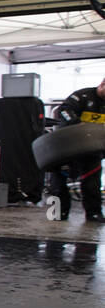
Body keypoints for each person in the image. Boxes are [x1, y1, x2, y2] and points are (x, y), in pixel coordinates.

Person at [47, 77, 105, 222]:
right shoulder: (82, 96)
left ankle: (94, 213)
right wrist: (77, 124)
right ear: (102, 84)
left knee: (93, 182)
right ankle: (57, 213)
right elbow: (63, 110)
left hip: (91, 149)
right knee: (58, 182)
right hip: (66, 147)